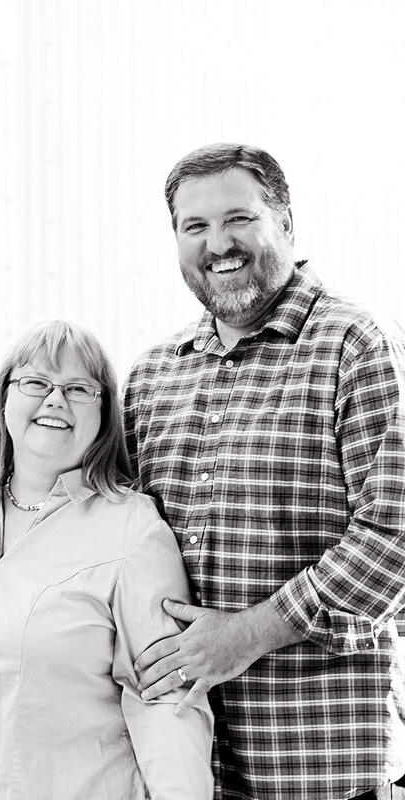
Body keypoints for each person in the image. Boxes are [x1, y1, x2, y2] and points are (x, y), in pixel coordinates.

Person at [126, 143, 405, 800]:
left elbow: (394, 537)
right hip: (181, 762)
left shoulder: (355, 346)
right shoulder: (153, 375)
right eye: (195, 226)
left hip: (318, 763)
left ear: (286, 221)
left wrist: (246, 635)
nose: (217, 243)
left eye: (238, 219)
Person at [0, 319, 213, 800]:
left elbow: (166, 705)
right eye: (36, 382)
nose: (55, 400)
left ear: (103, 414)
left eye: (78, 388)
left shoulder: (133, 530)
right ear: (4, 399)